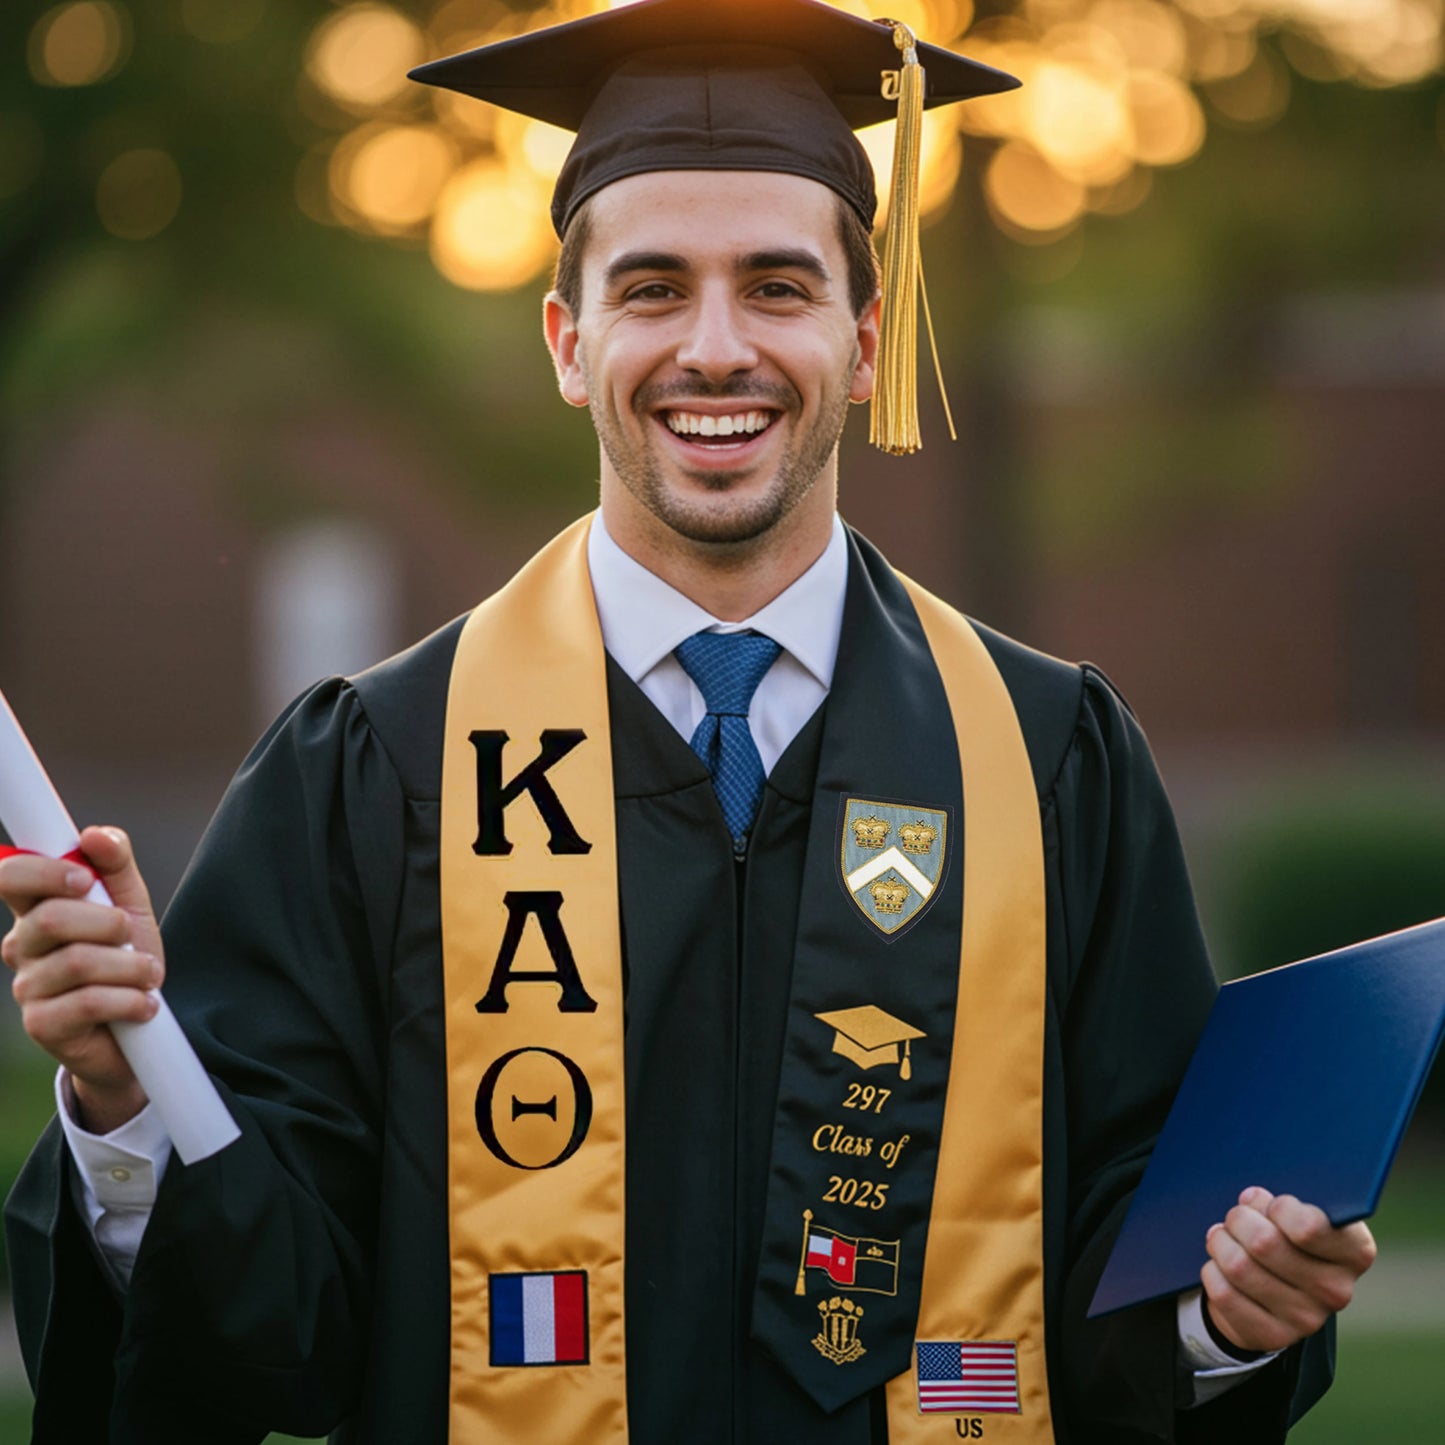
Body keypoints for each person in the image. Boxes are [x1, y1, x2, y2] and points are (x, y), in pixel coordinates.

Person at [1, 2, 1375, 1442]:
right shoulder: (376, 768)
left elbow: (1116, 1282)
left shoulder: (1046, 759)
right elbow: (270, 1330)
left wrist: (1224, 1314)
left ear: (861, 339)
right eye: (652, 288)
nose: (714, 349)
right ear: (567, 340)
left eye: (775, 287)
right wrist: (123, 1085)